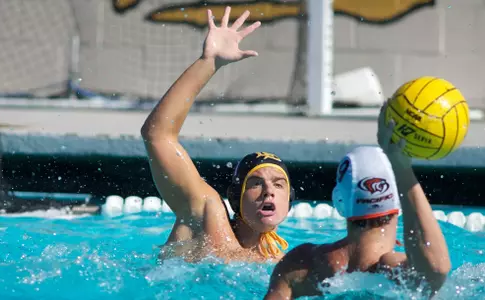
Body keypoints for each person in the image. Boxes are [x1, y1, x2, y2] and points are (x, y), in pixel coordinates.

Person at [140, 7, 293, 263]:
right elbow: (157, 135)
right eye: (255, 183)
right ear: (235, 196)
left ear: (289, 201)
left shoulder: (284, 266)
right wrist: (209, 63)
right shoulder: (207, 215)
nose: (269, 191)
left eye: (279, 184)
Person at [264, 104, 451, 299]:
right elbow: (437, 269)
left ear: (339, 202)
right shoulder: (392, 272)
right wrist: (403, 171)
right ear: (399, 202)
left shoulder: (298, 264)